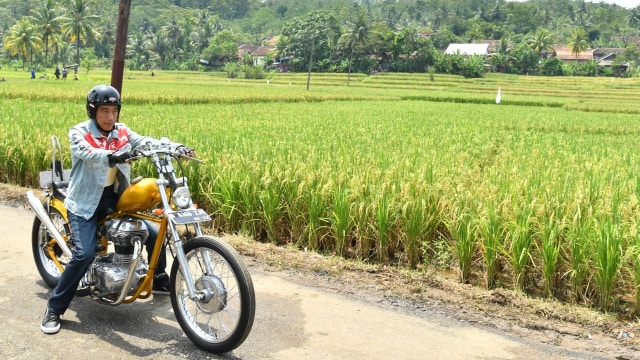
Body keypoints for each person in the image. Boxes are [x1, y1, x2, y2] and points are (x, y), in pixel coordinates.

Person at [40, 84, 195, 335]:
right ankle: (54, 308)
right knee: (84, 254)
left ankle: (158, 280)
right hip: (85, 204)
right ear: (93, 111)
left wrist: (173, 147)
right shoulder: (79, 132)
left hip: (115, 199)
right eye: (104, 111)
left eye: (114, 111)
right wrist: (113, 155)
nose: (110, 117)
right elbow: (86, 152)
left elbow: (144, 141)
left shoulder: (121, 131)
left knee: (154, 235)